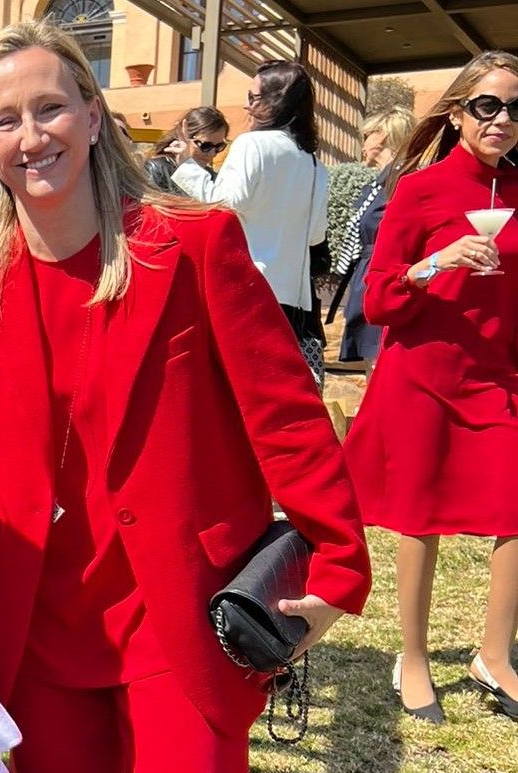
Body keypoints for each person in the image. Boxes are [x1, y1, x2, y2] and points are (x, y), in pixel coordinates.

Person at [0, 20, 371, 773]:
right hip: (44, 628)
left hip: (182, 612)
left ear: (93, 117)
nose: (31, 137)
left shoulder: (192, 244)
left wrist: (336, 565)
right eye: (4, 121)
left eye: (50, 108)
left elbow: (282, 415)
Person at [344, 51, 518, 725]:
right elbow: (380, 299)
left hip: (493, 378)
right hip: (418, 377)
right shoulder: (419, 191)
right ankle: (410, 657)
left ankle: (492, 655)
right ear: (456, 111)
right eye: (487, 105)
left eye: (512, 107)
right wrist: (434, 263)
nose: (501, 119)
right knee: (418, 524)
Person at [174, 60, 329, 380]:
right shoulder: (313, 164)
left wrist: (187, 167)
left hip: (243, 290)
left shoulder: (251, 145)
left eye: (253, 96)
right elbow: (315, 235)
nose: (246, 104)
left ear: (275, 101)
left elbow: (223, 204)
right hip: (290, 302)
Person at [328, 106, 415, 377]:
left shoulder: (403, 178)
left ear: (383, 137)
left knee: (383, 371)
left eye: (367, 136)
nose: (363, 144)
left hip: (386, 278)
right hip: (368, 277)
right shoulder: (380, 183)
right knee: (373, 371)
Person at [165, 106, 230, 197]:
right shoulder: (159, 169)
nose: (212, 154)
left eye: (219, 146)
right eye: (205, 146)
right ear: (183, 135)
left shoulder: (212, 180)